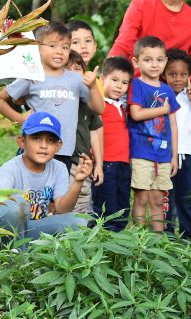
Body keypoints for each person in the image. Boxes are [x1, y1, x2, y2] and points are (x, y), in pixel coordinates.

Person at [0, 22, 105, 169]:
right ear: (38, 48)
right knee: (30, 190)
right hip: (34, 149)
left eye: (65, 47)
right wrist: (20, 119)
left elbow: (99, 109)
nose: (60, 51)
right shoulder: (31, 77)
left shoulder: (76, 79)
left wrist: (93, 86)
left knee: (58, 192)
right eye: (52, 45)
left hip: (63, 151)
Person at [0, 112, 92, 253]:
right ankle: (14, 260)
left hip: (36, 230)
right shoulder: (10, 169)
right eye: (36, 138)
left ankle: (42, 260)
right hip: (10, 235)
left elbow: (62, 210)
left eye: (50, 140)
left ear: (58, 146)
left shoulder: (59, 168)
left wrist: (78, 182)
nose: (43, 145)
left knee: (78, 222)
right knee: (17, 205)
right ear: (22, 142)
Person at [128, 36, 179, 231]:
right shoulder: (136, 85)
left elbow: (173, 125)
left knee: (158, 199)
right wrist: (162, 110)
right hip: (142, 153)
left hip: (164, 155)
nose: (154, 64)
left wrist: (174, 156)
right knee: (141, 197)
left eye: (159, 59)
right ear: (136, 62)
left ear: (165, 61)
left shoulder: (167, 90)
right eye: (148, 60)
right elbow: (136, 113)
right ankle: (139, 239)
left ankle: (158, 242)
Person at [164, 49, 191, 241]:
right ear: (164, 74)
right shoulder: (161, 95)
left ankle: (189, 235)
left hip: (187, 154)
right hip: (165, 154)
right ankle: (167, 236)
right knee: (167, 197)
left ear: (189, 76)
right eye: (172, 74)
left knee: (185, 197)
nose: (178, 79)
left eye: (183, 74)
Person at [93, 56, 134, 231]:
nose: (119, 86)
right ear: (102, 80)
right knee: (106, 206)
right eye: (114, 80)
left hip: (124, 164)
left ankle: (120, 238)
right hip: (106, 164)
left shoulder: (123, 106)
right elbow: (93, 132)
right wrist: (97, 164)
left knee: (123, 204)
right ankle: (105, 238)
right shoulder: (99, 105)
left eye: (124, 83)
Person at [66, 50, 104, 214]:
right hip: (58, 159)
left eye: (77, 69)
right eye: (67, 70)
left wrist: (99, 164)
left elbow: (94, 132)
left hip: (81, 162)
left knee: (81, 202)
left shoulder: (88, 100)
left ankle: (79, 237)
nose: (73, 74)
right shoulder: (53, 97)